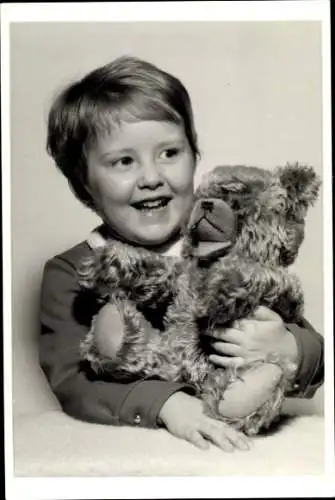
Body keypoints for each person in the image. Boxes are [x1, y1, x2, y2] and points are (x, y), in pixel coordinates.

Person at [40, 55, 324, 452]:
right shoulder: (72, 271)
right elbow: (72, 381)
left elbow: (309, 342)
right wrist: (168, 405)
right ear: (84, 185)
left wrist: (289, 347)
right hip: (138, 450)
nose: (152, 177)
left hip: (243, 442)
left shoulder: (227, 240)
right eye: (124, 161)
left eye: (170, 153)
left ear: (195, 156)